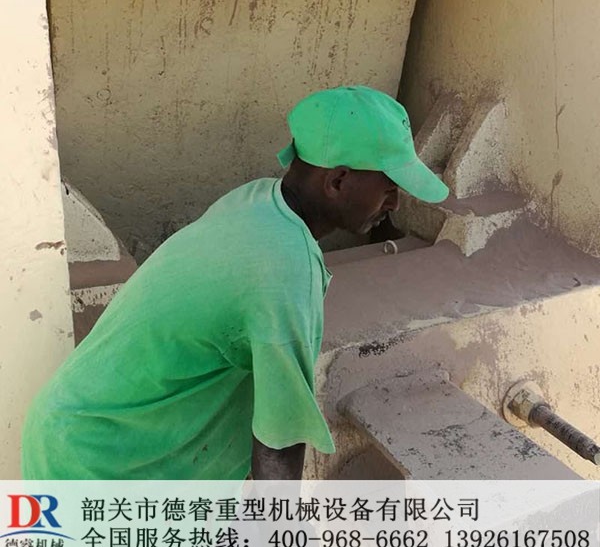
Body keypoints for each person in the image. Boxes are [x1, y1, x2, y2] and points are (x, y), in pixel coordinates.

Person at [21, 85, 448, 482]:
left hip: (76, 427)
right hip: (102, 462)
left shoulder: (257, 199)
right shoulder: (285, 267)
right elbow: (280, 435)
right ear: (337, 181)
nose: (395, 203)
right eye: (389, 188)